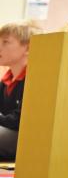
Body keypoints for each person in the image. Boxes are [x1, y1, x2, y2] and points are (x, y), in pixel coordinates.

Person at [0, 22, 41, 159]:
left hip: (25, 138)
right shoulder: (7, 79)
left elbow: (20, 120)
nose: (0, 46)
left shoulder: (35, 79)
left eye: (6, 42)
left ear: (28, 48)